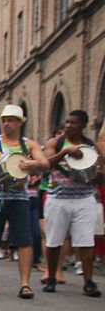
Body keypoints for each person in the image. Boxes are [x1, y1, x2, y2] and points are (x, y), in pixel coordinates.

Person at [0, 105, 49, 299]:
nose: (6, 123)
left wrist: (33, 164)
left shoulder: (28, 145)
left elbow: (44, 163)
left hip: (19, 197)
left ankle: (25, 284)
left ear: (20, 122)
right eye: (4, 120)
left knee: (24, 240)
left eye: (11, 120)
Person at [42, 110, 101, 297]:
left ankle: (89, 282)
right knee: (53, 241)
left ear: (83, 125)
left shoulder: (92, 147)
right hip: (58, 198)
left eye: (73, 123)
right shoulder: (55, 143)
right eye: (66, 122)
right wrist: (65, 152)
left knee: (85, 242)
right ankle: (51, 277)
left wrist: (93, 171)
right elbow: (45, 164)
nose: (68, 125)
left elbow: (101, 171)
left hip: (84, 198)